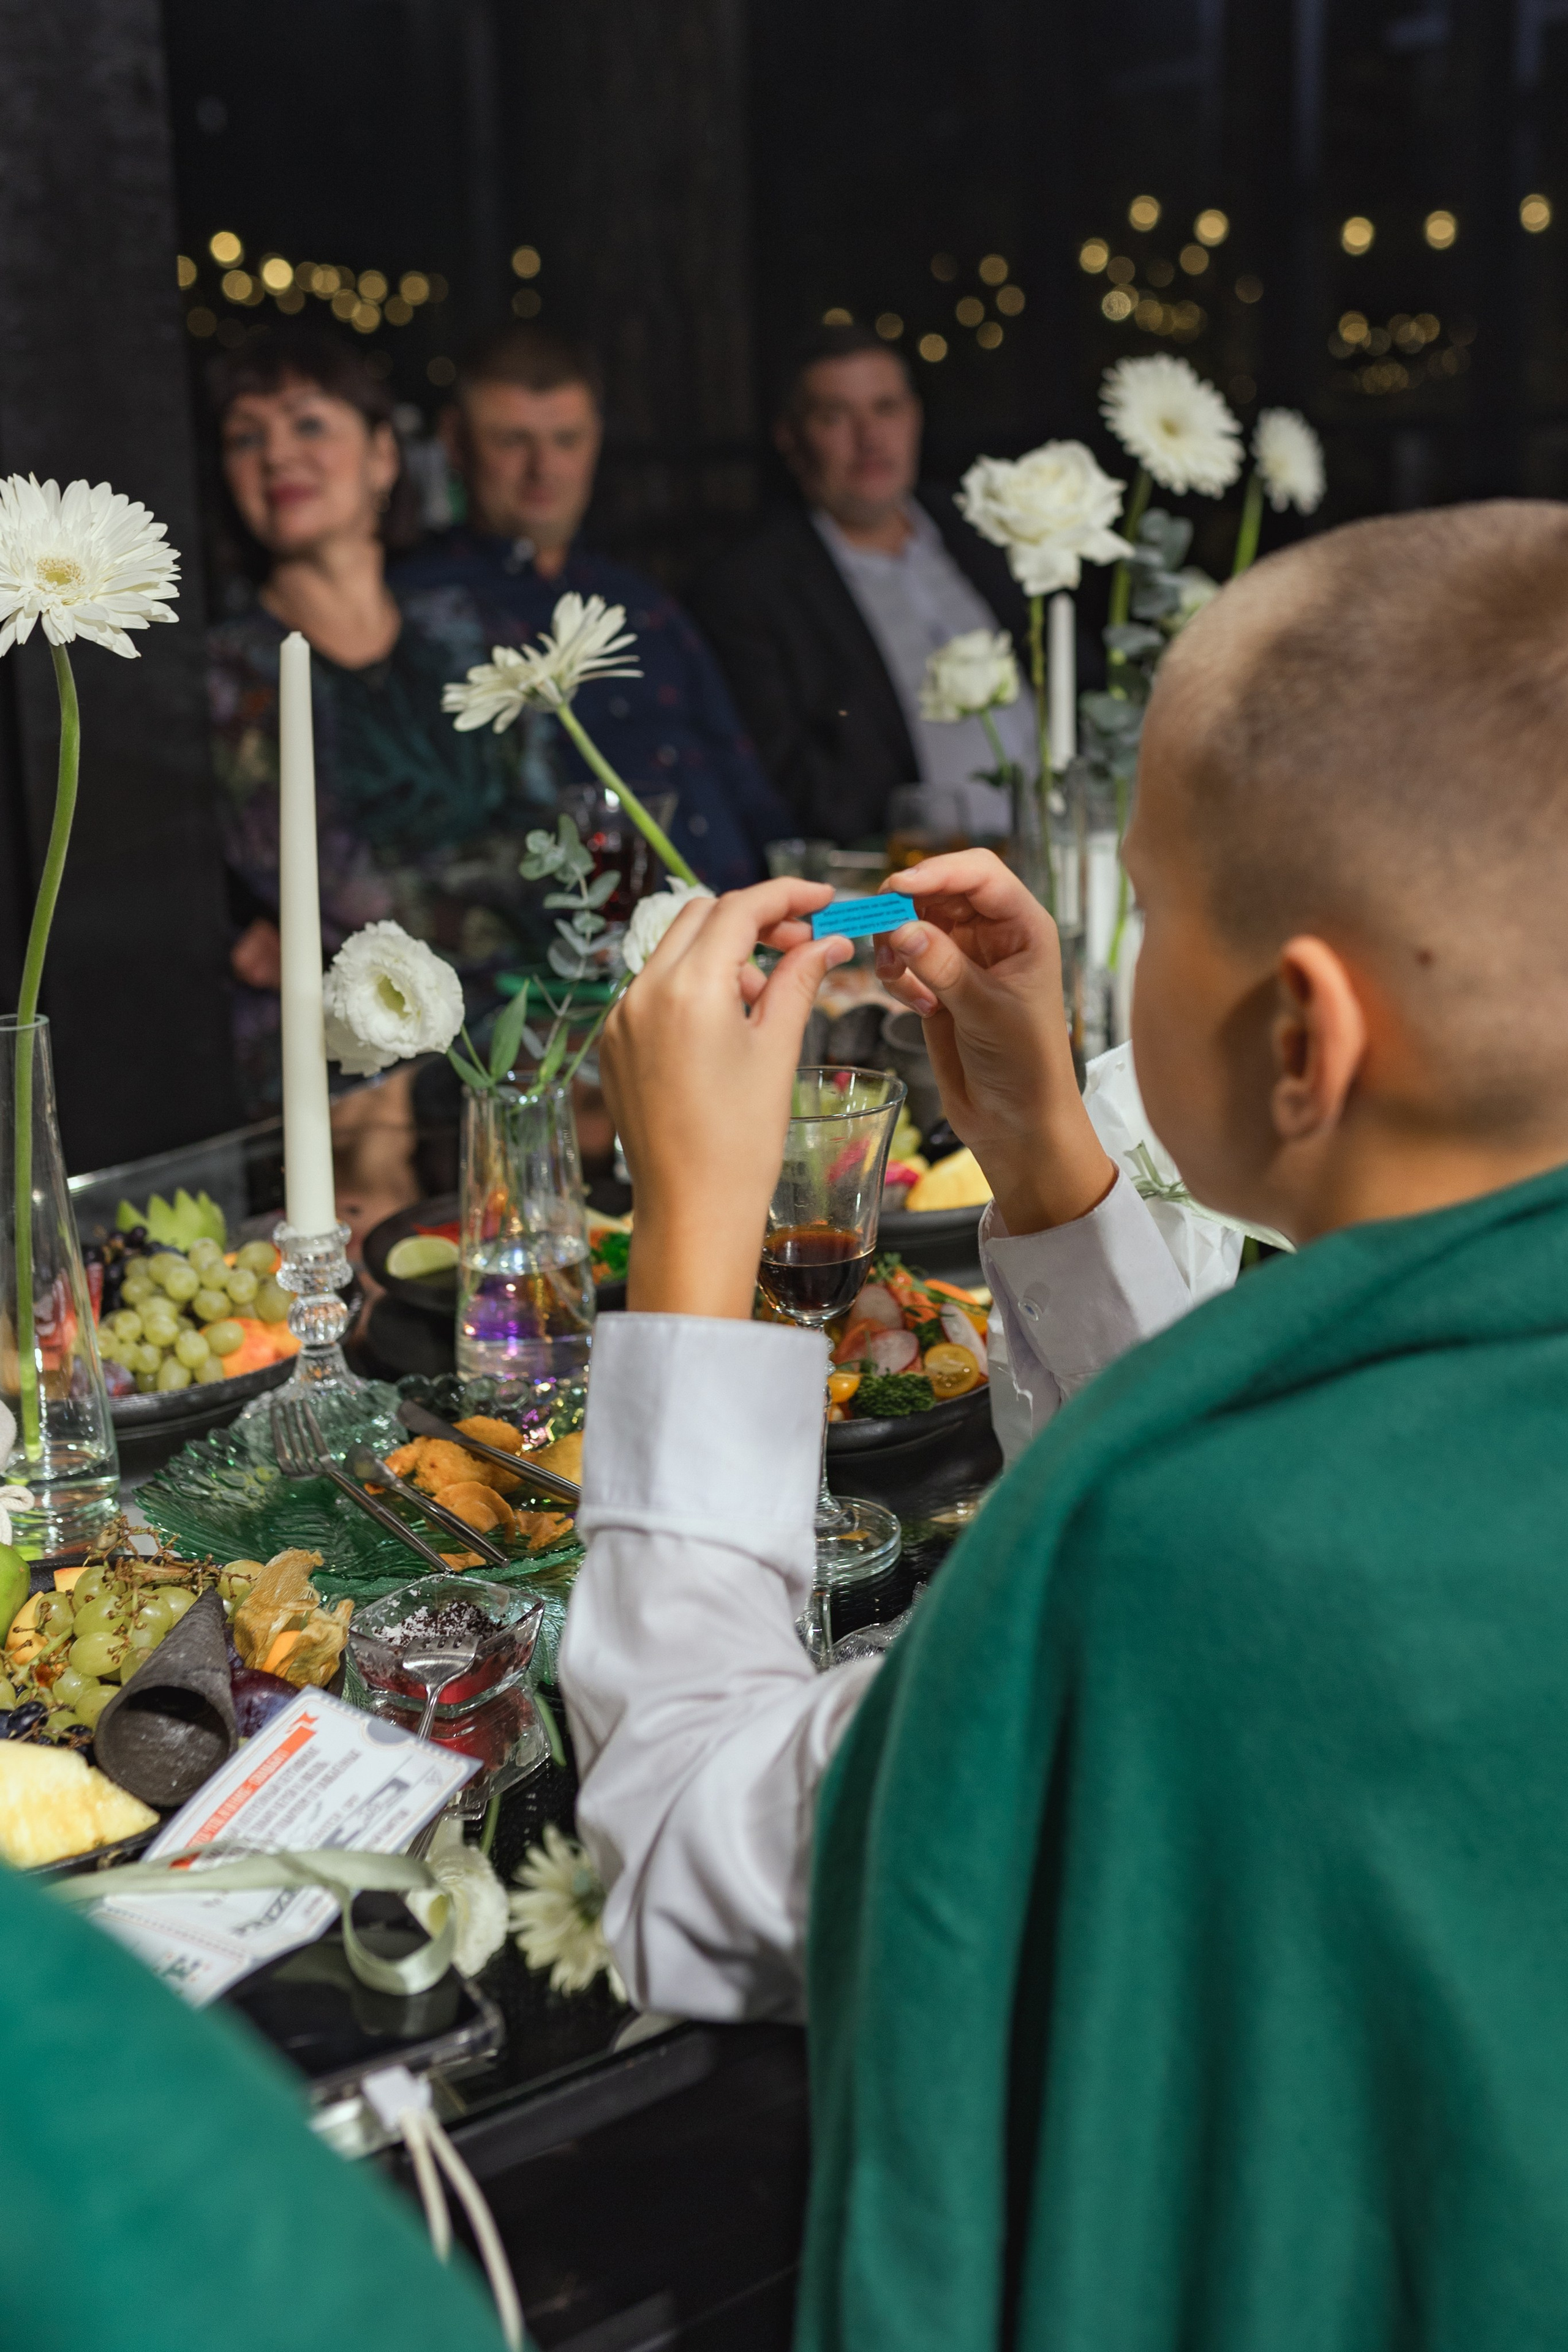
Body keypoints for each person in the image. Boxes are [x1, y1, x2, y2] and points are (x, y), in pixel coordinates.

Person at [560, 502, 1568, 2346]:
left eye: (1164, 919)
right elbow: (1244, 1457)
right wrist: (1045, 1158)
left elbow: (680, 1847)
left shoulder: (1181, 1585)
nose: (1126, 967)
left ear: (1299, 1038)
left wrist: (691, 1231)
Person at [207, 324, 549, 1117]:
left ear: (385, 457)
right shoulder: (227, 678)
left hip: (527, 998)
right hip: (354, 1047)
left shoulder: (476, 630)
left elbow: (545, 838)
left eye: (309, 423)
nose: (277, 455)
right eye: (245, 437)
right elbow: (343, 889)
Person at [390, 324, 790, 892]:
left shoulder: (644, 605)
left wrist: (818, 905)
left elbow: (749, 790)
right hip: (582, 960)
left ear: (596, 440)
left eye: (567, 440)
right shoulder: (421, 613)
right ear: (455, 442)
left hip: (755, 931)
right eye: (511, 441)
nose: (543, 469)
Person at [689, 323, 1037, 843]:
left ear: (915, 417)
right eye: (835, 416)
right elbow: (788, 788)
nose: (870, 438)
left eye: (886, 408)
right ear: (792, 438)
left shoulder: (983, 532)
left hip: (1067, 851)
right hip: (909, 885)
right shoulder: (750, 589)